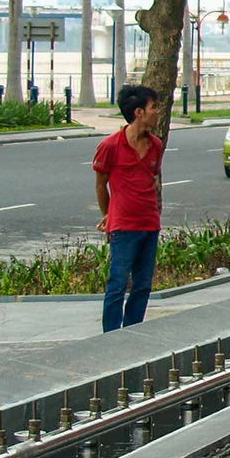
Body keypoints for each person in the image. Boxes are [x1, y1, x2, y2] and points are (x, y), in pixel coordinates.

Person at [93, 83, 164, 332]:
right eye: (154, 107)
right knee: (117, 283)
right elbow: (101, 185)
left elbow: (152, 179)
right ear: (138, 113)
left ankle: (133, 330)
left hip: (149, 224)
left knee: (143, 285)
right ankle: (111, 335)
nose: (158, 112)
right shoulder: (110, 146)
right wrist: (108, 215)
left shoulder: (156, 145)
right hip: (124, 226)